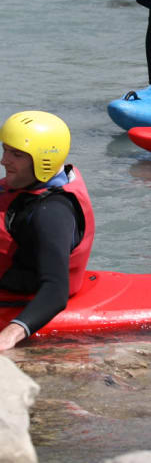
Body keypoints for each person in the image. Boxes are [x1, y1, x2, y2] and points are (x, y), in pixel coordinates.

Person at [0, 111, 94, 351]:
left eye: (16, 155)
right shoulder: (26, 187)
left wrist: (10, 334)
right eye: (5, 150)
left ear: (43, 160)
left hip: (19, 297)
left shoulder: (51, 213)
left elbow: (55, 291)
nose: (4, 161)